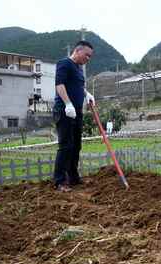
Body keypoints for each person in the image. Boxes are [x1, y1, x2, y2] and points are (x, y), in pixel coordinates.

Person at [52, 40, 95, 192]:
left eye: (90, 57)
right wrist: (68, 104)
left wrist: (87, 94)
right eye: (86, 55)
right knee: (65, 146)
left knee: (76, 146)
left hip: (77, 112)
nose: (88, 59)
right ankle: (60, 181)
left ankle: (73, 178)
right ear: (77, 51)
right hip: (65, 111)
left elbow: (79, 86)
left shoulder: (77, 69)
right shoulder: (64, 63)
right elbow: (60, 85)